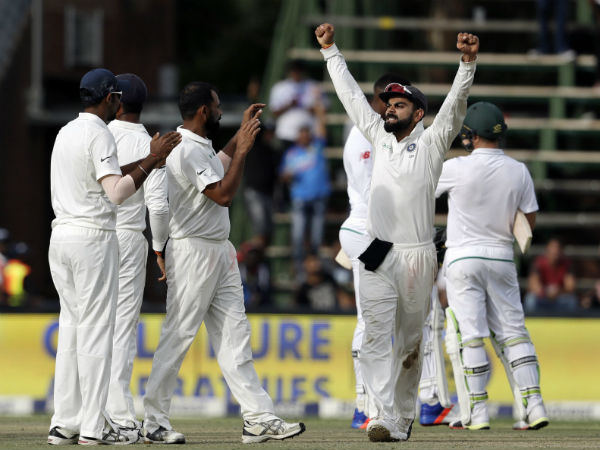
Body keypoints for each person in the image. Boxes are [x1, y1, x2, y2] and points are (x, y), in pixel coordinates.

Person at [315, 22, 478, 442]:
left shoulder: (433, 143)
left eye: (399, 104)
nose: (389, 109)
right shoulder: (377, 136)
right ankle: (381, 414)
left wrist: (467, 64)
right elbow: (351, 97)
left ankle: (402, 418)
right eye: (388, 103)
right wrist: (330, 51)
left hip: (417, 255)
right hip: (377, 250)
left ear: (418, 113)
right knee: (373, 334)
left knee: (409, 344)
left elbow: (456, 106)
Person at [141, 82, 305, 444]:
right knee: (178, 336)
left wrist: (239, 135)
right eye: (216, 106)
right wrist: (243, 148)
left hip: (219, 249)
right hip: (193, 252)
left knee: (235, 336)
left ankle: (258, 418)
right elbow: (224, 195)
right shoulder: (186, 149)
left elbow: (219, 165)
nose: (219, 111)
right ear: (203, 111)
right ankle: (153, 420)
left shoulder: (199, 146)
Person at [47, 68, 180, 445]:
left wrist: (147, 161)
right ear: (110, 99)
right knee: (98, 331)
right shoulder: (100, 133)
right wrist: (151, 158)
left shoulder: (66, 131)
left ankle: (65, 422)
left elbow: (102, 177)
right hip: (93, 238)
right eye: (115, 98)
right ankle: (95, 427)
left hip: (62, 235)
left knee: (72, 327)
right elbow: (118, 193)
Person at [435, 101, 549, 431]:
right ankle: (534, 406)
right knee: (514, 333)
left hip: (462, 257)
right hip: (501, 256)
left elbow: (421, 193)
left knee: (469, 336)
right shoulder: (519, 170)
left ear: (472, 135)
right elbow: (528, 220)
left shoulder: (456, 167)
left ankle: (478, 412)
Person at [337, 72, 410, 429]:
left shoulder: (377, 131)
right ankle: (364, 404)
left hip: (374, 231)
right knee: (372, 318)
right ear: (381, 101)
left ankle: (370, 404)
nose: (397, 109)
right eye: (394, 103)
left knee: (381, 317)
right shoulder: (365, 134)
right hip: (370, 233)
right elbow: (373, 193)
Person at [105, 73, 169, 433]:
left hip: (91, 233)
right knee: (122, 325)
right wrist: (159, 247)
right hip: (128, 237)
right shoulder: (149, 144)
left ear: (115, 101)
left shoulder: (96, 134)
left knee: (87, 322)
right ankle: (118, 414)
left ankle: (78, 413)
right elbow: (157, 206)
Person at [279, 100, 331, 276]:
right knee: (298, 237)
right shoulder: (291, 153)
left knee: (316, 238)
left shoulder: (317, 146)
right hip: (300, 198)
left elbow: (322, 129)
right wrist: (287, 176)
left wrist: (318, 111)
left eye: (306, 133)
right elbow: (283, 176)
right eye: (301, 133)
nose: (304, 136)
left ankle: (313, 270)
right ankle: (299, 272)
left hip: (319, 196)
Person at [269, 59, 326, 150]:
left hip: (308, 136)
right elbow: (274, 112)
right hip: (286, 134)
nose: (296, 73)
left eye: (299, 70)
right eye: (294, 70)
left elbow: (322, 110)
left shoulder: (313, 86)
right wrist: (290, 105)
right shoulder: (279, 87)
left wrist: (306, 106)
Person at [525, 238, 577, 313]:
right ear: (547, 250)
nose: (555, 251)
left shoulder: (566, 264)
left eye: (557, 248)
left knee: (571, 300)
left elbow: (570, 286)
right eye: (552, 248)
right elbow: (534, 285)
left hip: (559, 297)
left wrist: (558, 291)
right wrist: (546, 292)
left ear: (561, 251)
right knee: (530, 299)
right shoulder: (539, 263)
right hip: (542, 297)